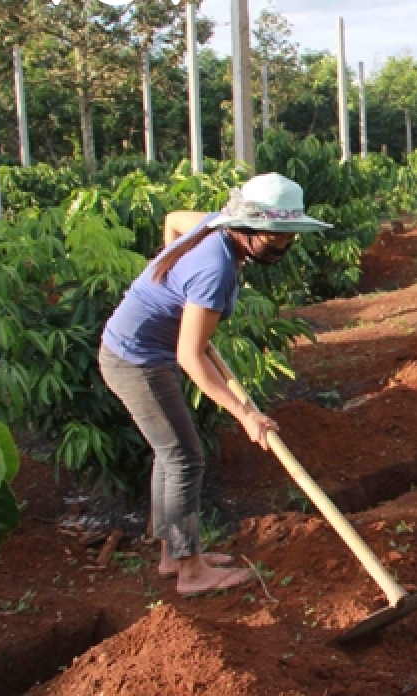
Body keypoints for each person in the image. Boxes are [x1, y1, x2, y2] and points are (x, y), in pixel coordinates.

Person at [99, 173, 331, 596]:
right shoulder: (215, 268)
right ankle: (191, 572)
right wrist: (245, 413)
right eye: (274, 238)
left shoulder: (212, 226)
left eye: (287, 237)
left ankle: (174, 554)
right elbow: (192, 356)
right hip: (136, 361)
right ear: (246, 229)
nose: (282, 246)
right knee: (184, 457)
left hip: (143, 351)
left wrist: (169, 277)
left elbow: (171, 221)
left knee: (171, 452)